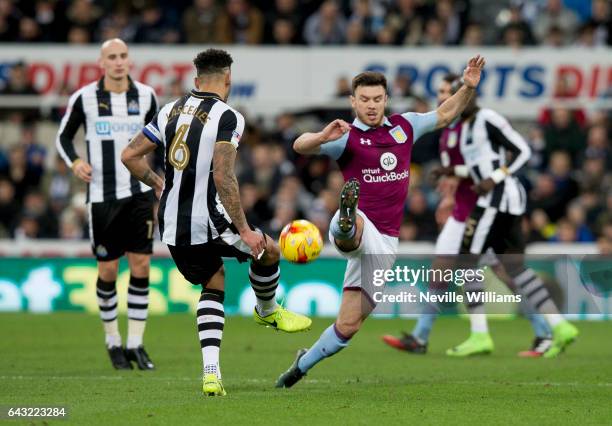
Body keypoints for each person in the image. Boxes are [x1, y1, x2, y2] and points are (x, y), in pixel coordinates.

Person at [276, 55, 486, 388]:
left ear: (386, 99)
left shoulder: (406, 126)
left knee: (348, 326)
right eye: (364, 100)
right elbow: (299, 146)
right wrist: (320, 136)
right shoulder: (345, 137)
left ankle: (301, 366)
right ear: (353, 101)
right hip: (361, 223)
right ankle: (344, 220)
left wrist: (467, 87)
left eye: (376, 99)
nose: (371, 106)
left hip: (386, 241)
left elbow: (445, 113)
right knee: (352, 227)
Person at [120, 48, 311, 396]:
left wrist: (159, 183)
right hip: (207, 218)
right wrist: (244, 230)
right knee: (267, 250)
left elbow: (129, 155)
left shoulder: (168, 111)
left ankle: (211, 374)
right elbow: (224, 176)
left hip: (172, 223)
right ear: (228, 80)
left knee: (214, 281)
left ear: (196, 80)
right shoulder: (228, 116)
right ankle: (267, 310)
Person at [382, 74, 553, 358]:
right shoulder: (448, 131)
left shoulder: (473, 128)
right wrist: (448, 197)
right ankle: (421, 336)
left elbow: (482, 169)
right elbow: (457, 175)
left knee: (502, 272)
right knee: (442, 270)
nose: (440, 97)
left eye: (445, 92)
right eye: (438, 91)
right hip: (461, 212)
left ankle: (543, 330)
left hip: (483, 210)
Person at [429, 76, 578, 359]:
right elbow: (480, 169)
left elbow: (522, 152)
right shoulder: (465, 129)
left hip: (499, 198)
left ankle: (480, 334)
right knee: (514, 267)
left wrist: (493, 179)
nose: (460, 99)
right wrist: (451, 172)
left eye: (464, 93)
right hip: (498, 197)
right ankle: (560, 326)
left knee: (467, 260)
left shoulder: (488, 118)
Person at [55, 39, 158, 371]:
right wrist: (74, 163)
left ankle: (136, 344)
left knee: (141, 267)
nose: (118, 62)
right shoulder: (84, 98)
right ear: (101, 62)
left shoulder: (146, 96)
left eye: (123, 56)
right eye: (112, 57)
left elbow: (162, 139)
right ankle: (113, 340)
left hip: (139, 193)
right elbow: (63, 137)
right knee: (108, 271)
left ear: (130, 60)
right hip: (102, 197)